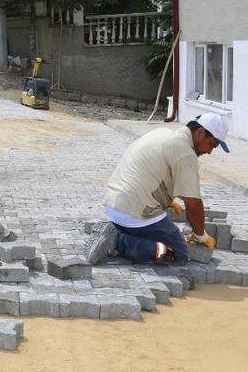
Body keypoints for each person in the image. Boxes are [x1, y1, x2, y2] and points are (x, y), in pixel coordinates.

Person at [84, 113, 230, 266]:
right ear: (200, 133)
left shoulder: (162, 133)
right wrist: (200, 234)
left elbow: (152, 171)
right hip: (135, 212)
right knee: (178, 252)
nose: (209, 151)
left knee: (154, 230)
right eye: (212, 145)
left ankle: (115, 231)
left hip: (112, 204)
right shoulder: (186, 153)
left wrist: (167, 199)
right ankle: (117, 241)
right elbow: (193, 204)